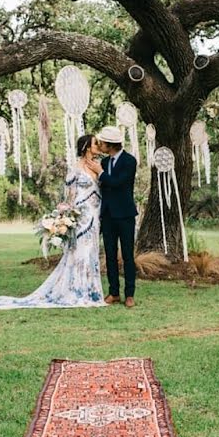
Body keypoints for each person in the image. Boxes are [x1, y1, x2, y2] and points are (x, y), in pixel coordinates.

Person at [0, 135, 106, 310]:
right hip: (82, 215)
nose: (99, 146)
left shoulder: (99, 166)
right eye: (96, 143)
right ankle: (76, 289)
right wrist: (68, 215)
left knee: (91, 251)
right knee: (79, 251)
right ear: (87, 147)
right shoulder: (76, 168)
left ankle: (92, 290)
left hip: (95, 216)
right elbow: (70, 195)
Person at [84, 126, 138, 308]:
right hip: (107, 215)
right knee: (110, 255)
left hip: (125, 215)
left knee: (128, 255)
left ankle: (129, 294)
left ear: (111, 144)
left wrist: (100, 172)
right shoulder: (104, 162)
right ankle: (113, 292)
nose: (100, 145)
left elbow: (117, 183)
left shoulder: (130, 161)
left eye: (103, 143)